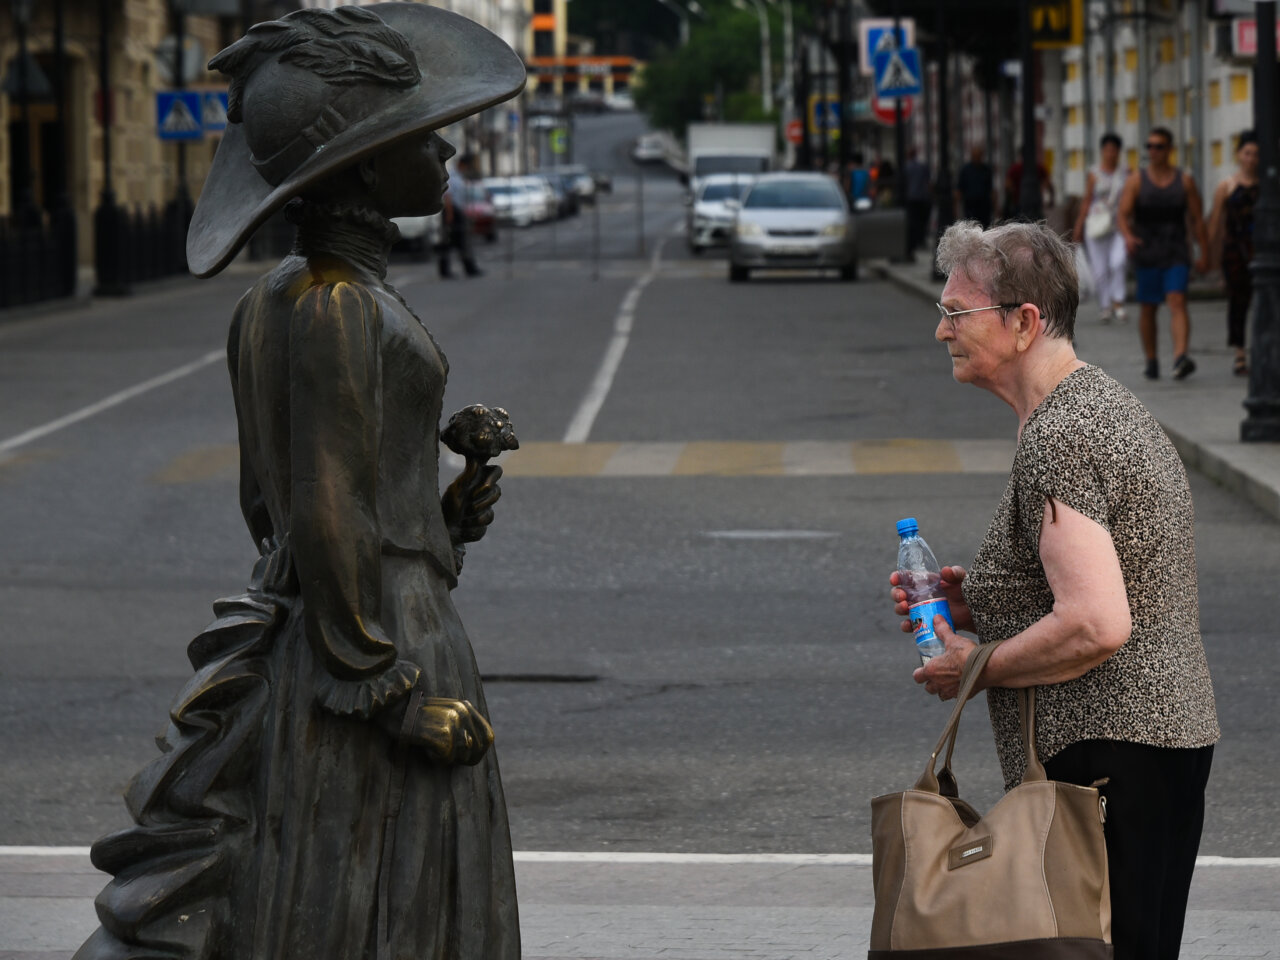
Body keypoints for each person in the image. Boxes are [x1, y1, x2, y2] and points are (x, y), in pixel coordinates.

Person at [75, 7, 526, 960]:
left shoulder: (273, 297)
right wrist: (389, 691)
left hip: (322, 628)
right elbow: (322, 510)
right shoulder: (337, 306)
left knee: (318, 878)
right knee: (388, 892)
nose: (443, 146)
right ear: (363, 167)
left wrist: (438, 513)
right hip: (378, 645)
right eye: (418, 132)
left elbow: (266, 509)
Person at [892, 219, 1219, 960]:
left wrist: (971, 665)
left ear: (1024, 323)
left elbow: (1097, 624)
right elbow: (1110, 577)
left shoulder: (1060, 436)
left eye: (955, 313)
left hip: (1109, 754)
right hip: (1155, 743)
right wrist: (982, 601)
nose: (942, 331)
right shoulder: (1092, 406)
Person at [1117, 126, 1211, 380]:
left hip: (1176, 250)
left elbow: (1196, 219)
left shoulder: (1184, 181)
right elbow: (1122, 215)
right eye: (1149, 146)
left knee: (1177, 300)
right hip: (1146, 250)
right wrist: (1127, 235)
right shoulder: (1137, 180)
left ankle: (1180, 356)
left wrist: (1204, 251)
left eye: (1158, 146)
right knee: (1149, 307)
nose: (1153, 151)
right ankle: (1151, 358)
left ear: (1170, 150)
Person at [1208, 129, 1260, 376]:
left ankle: (1263, 350)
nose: (1251, 159)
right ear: (1239, 154)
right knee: (1238, 303)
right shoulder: (1227, 186)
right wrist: (1214, 261)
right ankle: (1240, 353)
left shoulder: (1270, 185)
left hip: (1263, 251)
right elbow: (1216, 224)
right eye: (1247, 153)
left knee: (1266, 302)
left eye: (1256, 154)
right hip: (1235, 254)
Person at [1072, 132, 1130, 324]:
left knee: (1118, 262)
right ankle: (1105, 306)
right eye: (1107, 149)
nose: (1110, 153)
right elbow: (1087, 200)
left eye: (1114, 149)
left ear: (1118, 152)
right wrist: (1079, 226)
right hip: (1096, 226)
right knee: (1100, 269)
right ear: (1102, 151)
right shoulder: (1094, 173)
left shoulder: (1126, 172)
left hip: (1119, 225)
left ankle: (1119, 302)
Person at [438, 153, 483, 279]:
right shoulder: (452, 177)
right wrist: (450, 216)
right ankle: (447, 270)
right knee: (450, 241)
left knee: (461, 241)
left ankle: (469, 267)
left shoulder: (460, 177)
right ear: (462, 165)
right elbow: (448, 197)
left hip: (458, 211)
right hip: (452, 212)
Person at [954, 146, 996, 228]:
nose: (977, 158)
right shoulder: (965, 170)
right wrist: (956, 206)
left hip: (984, 206)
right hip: (970, 206)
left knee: (984, 226)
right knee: (971, 227)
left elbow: (991, 189)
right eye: (975, 156)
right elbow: (959, 189)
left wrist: (995, 206)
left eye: (979, 156)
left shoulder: (986, 170)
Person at [1004, 152, 1055, 218]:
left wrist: (1008, 203)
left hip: (1019, 204)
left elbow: (1008, 187)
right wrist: (1051, 199)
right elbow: (1049, 185)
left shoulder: (1015, 168)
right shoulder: (1038, 167)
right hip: (1035, 205)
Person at [904, 148, 932, 251]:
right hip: (923, 197)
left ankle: (914, 241)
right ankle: (921, 240)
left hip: (911, 198)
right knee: (922, 221)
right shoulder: (923, 166)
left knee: (913, 221)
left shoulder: (906, 167)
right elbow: (928, 182)